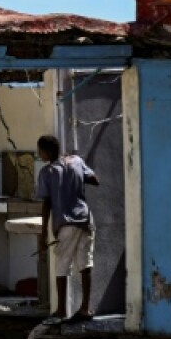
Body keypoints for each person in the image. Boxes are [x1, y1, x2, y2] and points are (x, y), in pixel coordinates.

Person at [35, 134, 101, 320]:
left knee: (62, 266)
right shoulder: (77, 161)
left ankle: (62, 310)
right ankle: (85, 309)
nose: (40, 155)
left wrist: (43, 235)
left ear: (46, 152)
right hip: (86, 219)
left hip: (66, 223)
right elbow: (95, 180)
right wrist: (76, 178)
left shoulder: (46, 173)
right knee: (85, 264)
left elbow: (46, 204)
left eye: (40, 152)